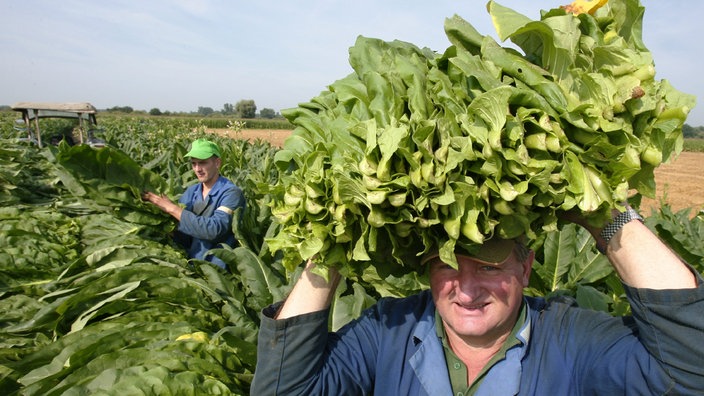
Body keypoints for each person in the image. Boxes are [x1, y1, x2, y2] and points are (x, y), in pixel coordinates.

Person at [251, 205, 704, 394]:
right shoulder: (386, 331)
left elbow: (690, 370)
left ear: (526, 268)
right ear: (428, 270)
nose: (465, 290)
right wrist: (331, 239)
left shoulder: (573, 340)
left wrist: (603, 213)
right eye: (448, 265)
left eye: (489, 267)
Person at [142, 138, 245, 270]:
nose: (197, 169)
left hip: (219, 270)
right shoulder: (191, 192)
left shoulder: (231, 193)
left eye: (202, 163)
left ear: (217, 163)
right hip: (192, 264)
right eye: (194, 164)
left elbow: (214, 230)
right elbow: (185, 237)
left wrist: (172, 208)